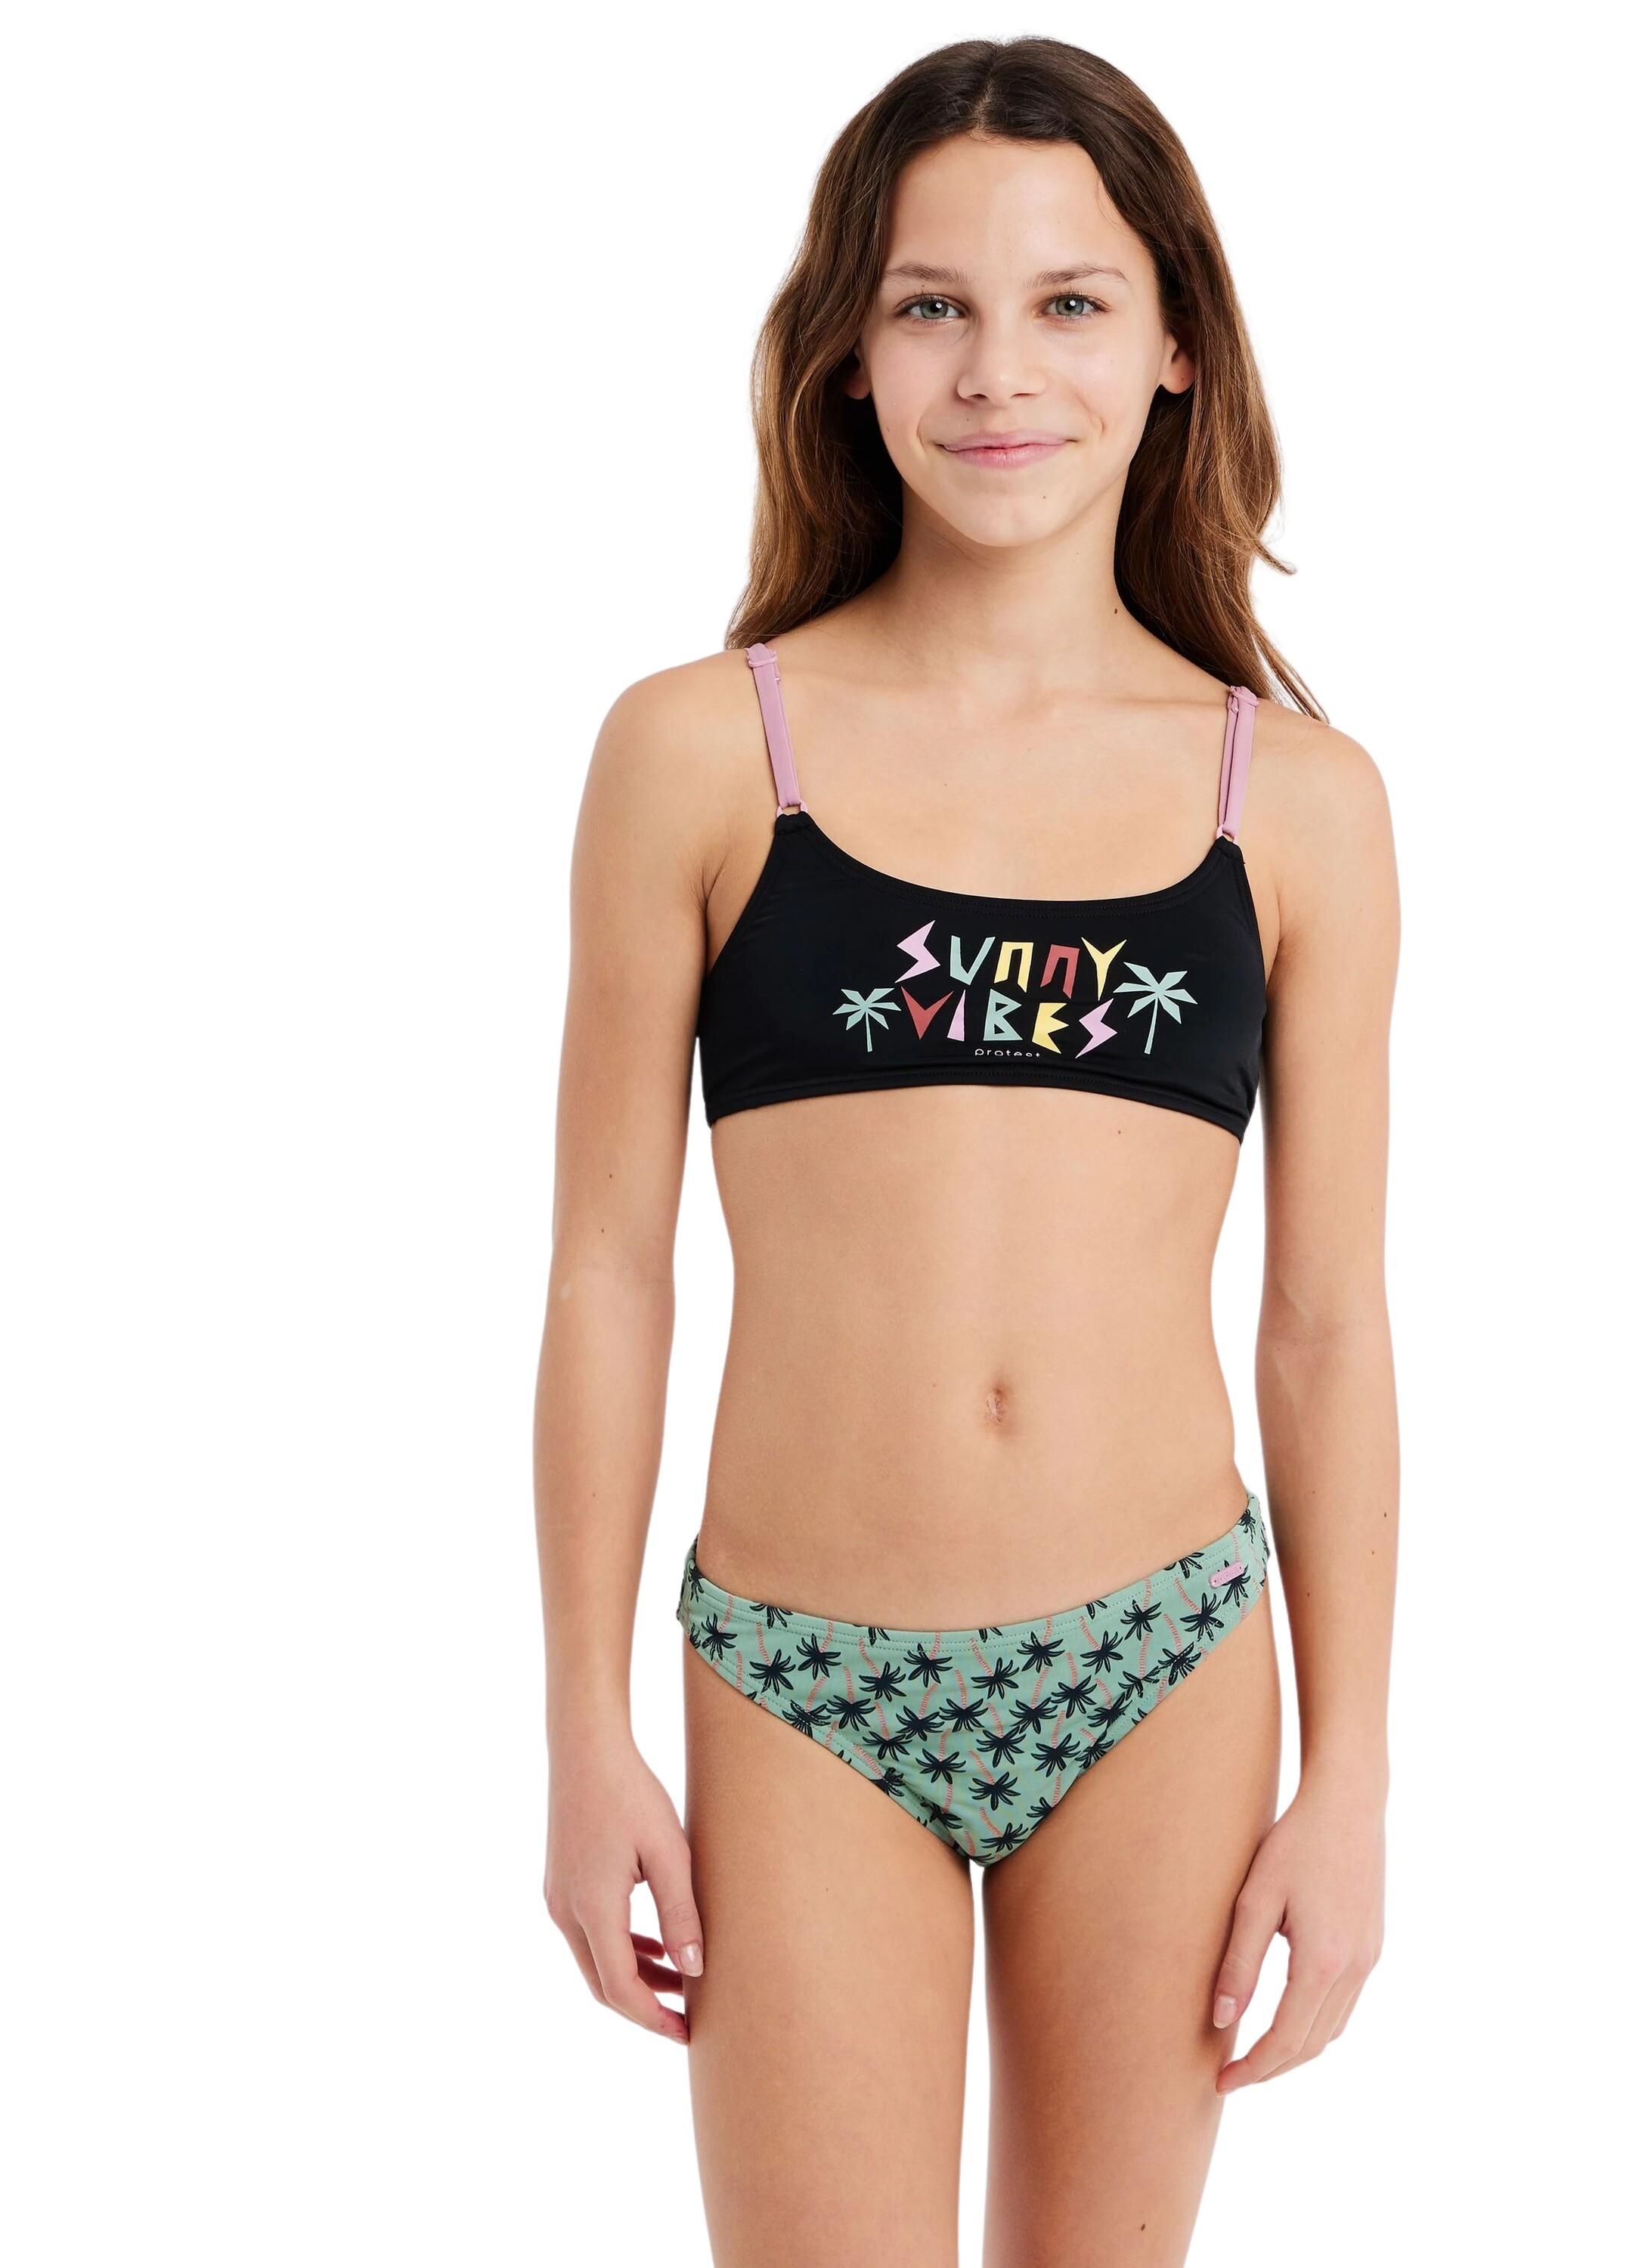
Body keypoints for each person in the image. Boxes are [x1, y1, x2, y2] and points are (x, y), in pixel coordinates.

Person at [533, 35, 1401, 2264]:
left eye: (1069, 302)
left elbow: (1324, 1325)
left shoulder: (1295, 803)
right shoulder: (704, 755)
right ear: (847, 349)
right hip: (802, 1679)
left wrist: (1353, 1783)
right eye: (932, 304)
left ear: (1177, 343)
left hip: (1165, 1665)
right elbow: (609, 1274)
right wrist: (583, 1730)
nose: (1000, 371)